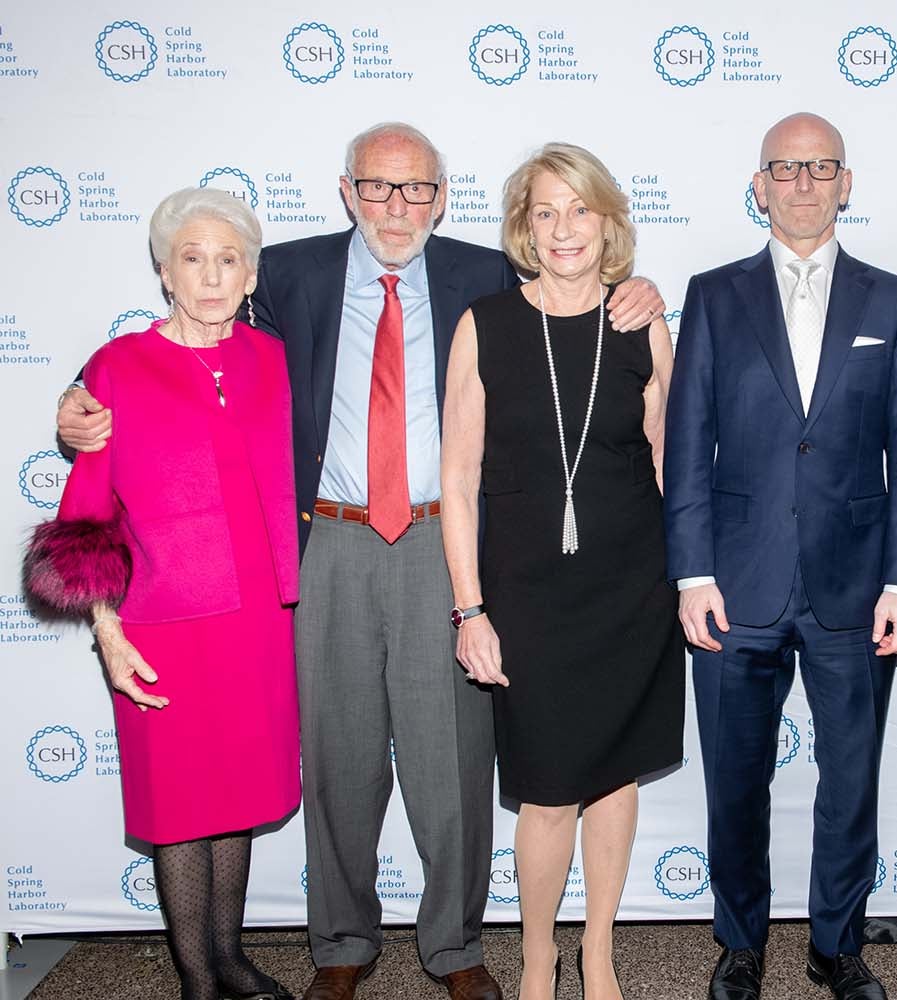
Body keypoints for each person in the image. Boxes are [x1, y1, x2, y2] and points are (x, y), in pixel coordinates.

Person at [56, 122, 665, 1000]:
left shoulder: (483, 275)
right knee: (337, 754)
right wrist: (79, 398)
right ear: (347, 192)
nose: (396, 207)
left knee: (454, 760)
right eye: (377, 188)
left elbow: (574, 284)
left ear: (442, 197)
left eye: (416, 189)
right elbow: (173, 350)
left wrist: (635, 290)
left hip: (442, 540)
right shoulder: (289, 273)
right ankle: (341, 941)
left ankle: (455, 946)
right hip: (326, 542)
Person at [664, 112, 897, 1000]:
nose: (804, 182)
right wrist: (692, 572)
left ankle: (837, 946)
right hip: (734, 588)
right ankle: (740, 945)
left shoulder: (895, 299)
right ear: (759, 186)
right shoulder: (712, 293)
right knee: (735, 783)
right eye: (785, 168)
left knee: (849, 781)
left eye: (821, 166)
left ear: (847, 182)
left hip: (855, 590)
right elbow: (690, 440)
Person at [26, 187, 299, 1000]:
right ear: (163, 272)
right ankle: (197, 981)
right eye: (192, 258)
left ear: (251, 274)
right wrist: (107, 632)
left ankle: (229, 956)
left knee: (240, 792)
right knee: (182, 806)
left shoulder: (273, 359)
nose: (211, 277)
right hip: (159, 626)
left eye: (228, 260)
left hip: (260, 618)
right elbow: (88, 518)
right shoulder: (117, 367)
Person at [439, 142, 682, 1000]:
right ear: (524, 227)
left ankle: (600, 953)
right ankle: (539, 957)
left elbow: (668, 464)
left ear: (608, 220)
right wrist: (470, 611)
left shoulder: (642, 319)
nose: (564, 228)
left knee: (614, 776)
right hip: (526, 594)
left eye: (580, 209)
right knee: (545, 790)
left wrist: (687, 581)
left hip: (632, 588)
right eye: (545, 211)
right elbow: (458, 483)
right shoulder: (486, 326)